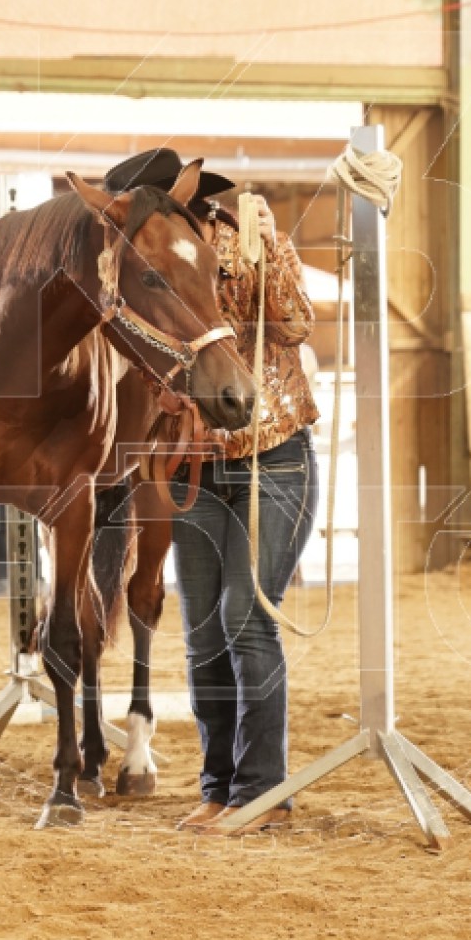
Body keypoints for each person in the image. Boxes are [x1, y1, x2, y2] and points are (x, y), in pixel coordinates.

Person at [165, 182, 319, 836]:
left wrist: (272, 246)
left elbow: (295, 323)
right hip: (196, 468)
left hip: (274, 458)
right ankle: (220, 786)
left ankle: (262, 791)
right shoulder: (156, 270)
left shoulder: (247, 243)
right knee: (203, 631)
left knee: (244, 617)